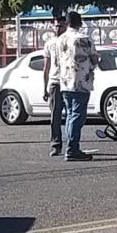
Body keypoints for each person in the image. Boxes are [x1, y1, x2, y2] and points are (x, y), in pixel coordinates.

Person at [57, 11, 99, 161]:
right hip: (81, 81)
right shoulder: (84, 39)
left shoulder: (60, 39)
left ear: (67, 23)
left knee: (70, 115)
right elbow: (94, 59)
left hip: (65, 81)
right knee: (78, 116)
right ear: (80, 23)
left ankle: (71, 146)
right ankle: (72, 149)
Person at [43, 16, 67, 157]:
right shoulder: (49, 43)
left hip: (68, 82)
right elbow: (46, 67)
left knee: (71, 115)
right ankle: (56, 144)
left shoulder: (69, 41)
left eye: (61, 26)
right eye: (56, 26)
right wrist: (44, 87)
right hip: (54, 82)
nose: (58, 28)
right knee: (55, 116)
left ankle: (72, 144)